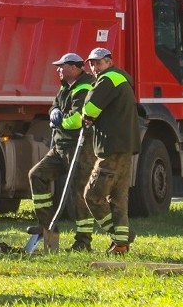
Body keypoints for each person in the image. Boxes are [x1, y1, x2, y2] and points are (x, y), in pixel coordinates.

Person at [28, 53, 96, 252]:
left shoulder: (84, 87)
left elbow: (76, 120)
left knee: (79, 194)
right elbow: (55, 105)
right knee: (37, 175)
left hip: (79, 147)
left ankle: (83, 242)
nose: (58, 70)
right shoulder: (66, 86)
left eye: (61, 66)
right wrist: (53, 113)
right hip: (60, 147)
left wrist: (59, 121)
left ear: (74, 68)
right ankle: (47, 226)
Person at [82, 47, 141, 255]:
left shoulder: (108, 79)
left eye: (98, 63)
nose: (94, 67)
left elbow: (89, 108)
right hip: (125, 148)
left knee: (92, 195)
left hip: (111, 148)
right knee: (118, 199)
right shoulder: (120, 79)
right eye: (91, 63)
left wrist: (86, 117)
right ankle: (121, 245)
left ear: (109, 62)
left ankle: (120, 237)